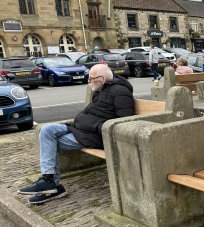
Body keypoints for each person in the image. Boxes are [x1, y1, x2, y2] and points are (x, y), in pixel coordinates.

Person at [17, 64, 135, 204]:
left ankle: (51, 184)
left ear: (102, 79)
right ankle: (49, 182)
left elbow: (123, 122)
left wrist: (94, 126)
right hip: (80, 129)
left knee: (49, 142)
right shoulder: (101, 89)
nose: (88, 81)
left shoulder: (121, 92)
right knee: (46, 130)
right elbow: (94, 113)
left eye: (91, 79)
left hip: (94, 136)